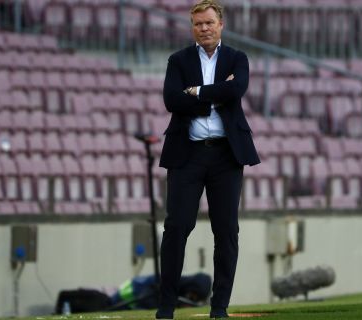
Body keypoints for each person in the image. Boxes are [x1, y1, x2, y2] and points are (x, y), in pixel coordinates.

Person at [155, 1, 260, 319]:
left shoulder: (237, 58)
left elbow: (237, 89)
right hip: (187, 154)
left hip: (227, 155)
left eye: (209, 22)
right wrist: (218, 92)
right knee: (176, 226)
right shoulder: (178, 60)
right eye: (198, 23)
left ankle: (219, 307)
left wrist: (198, 92)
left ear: (221, 24)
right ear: (192, 27)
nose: (204, 28)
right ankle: (166, 306)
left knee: (226, 230)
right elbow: (171, 99)